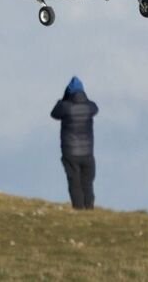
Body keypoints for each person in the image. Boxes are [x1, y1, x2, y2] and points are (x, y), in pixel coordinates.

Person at [50, 76, 99, 209]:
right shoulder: (90, 107)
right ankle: (89, 210)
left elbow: (54, 113)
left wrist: (62, 99)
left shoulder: (65, 107)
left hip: (70, 153)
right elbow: (95, 108)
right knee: (87, 183)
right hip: (87, 153)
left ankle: (78, 211)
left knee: (75, 183)